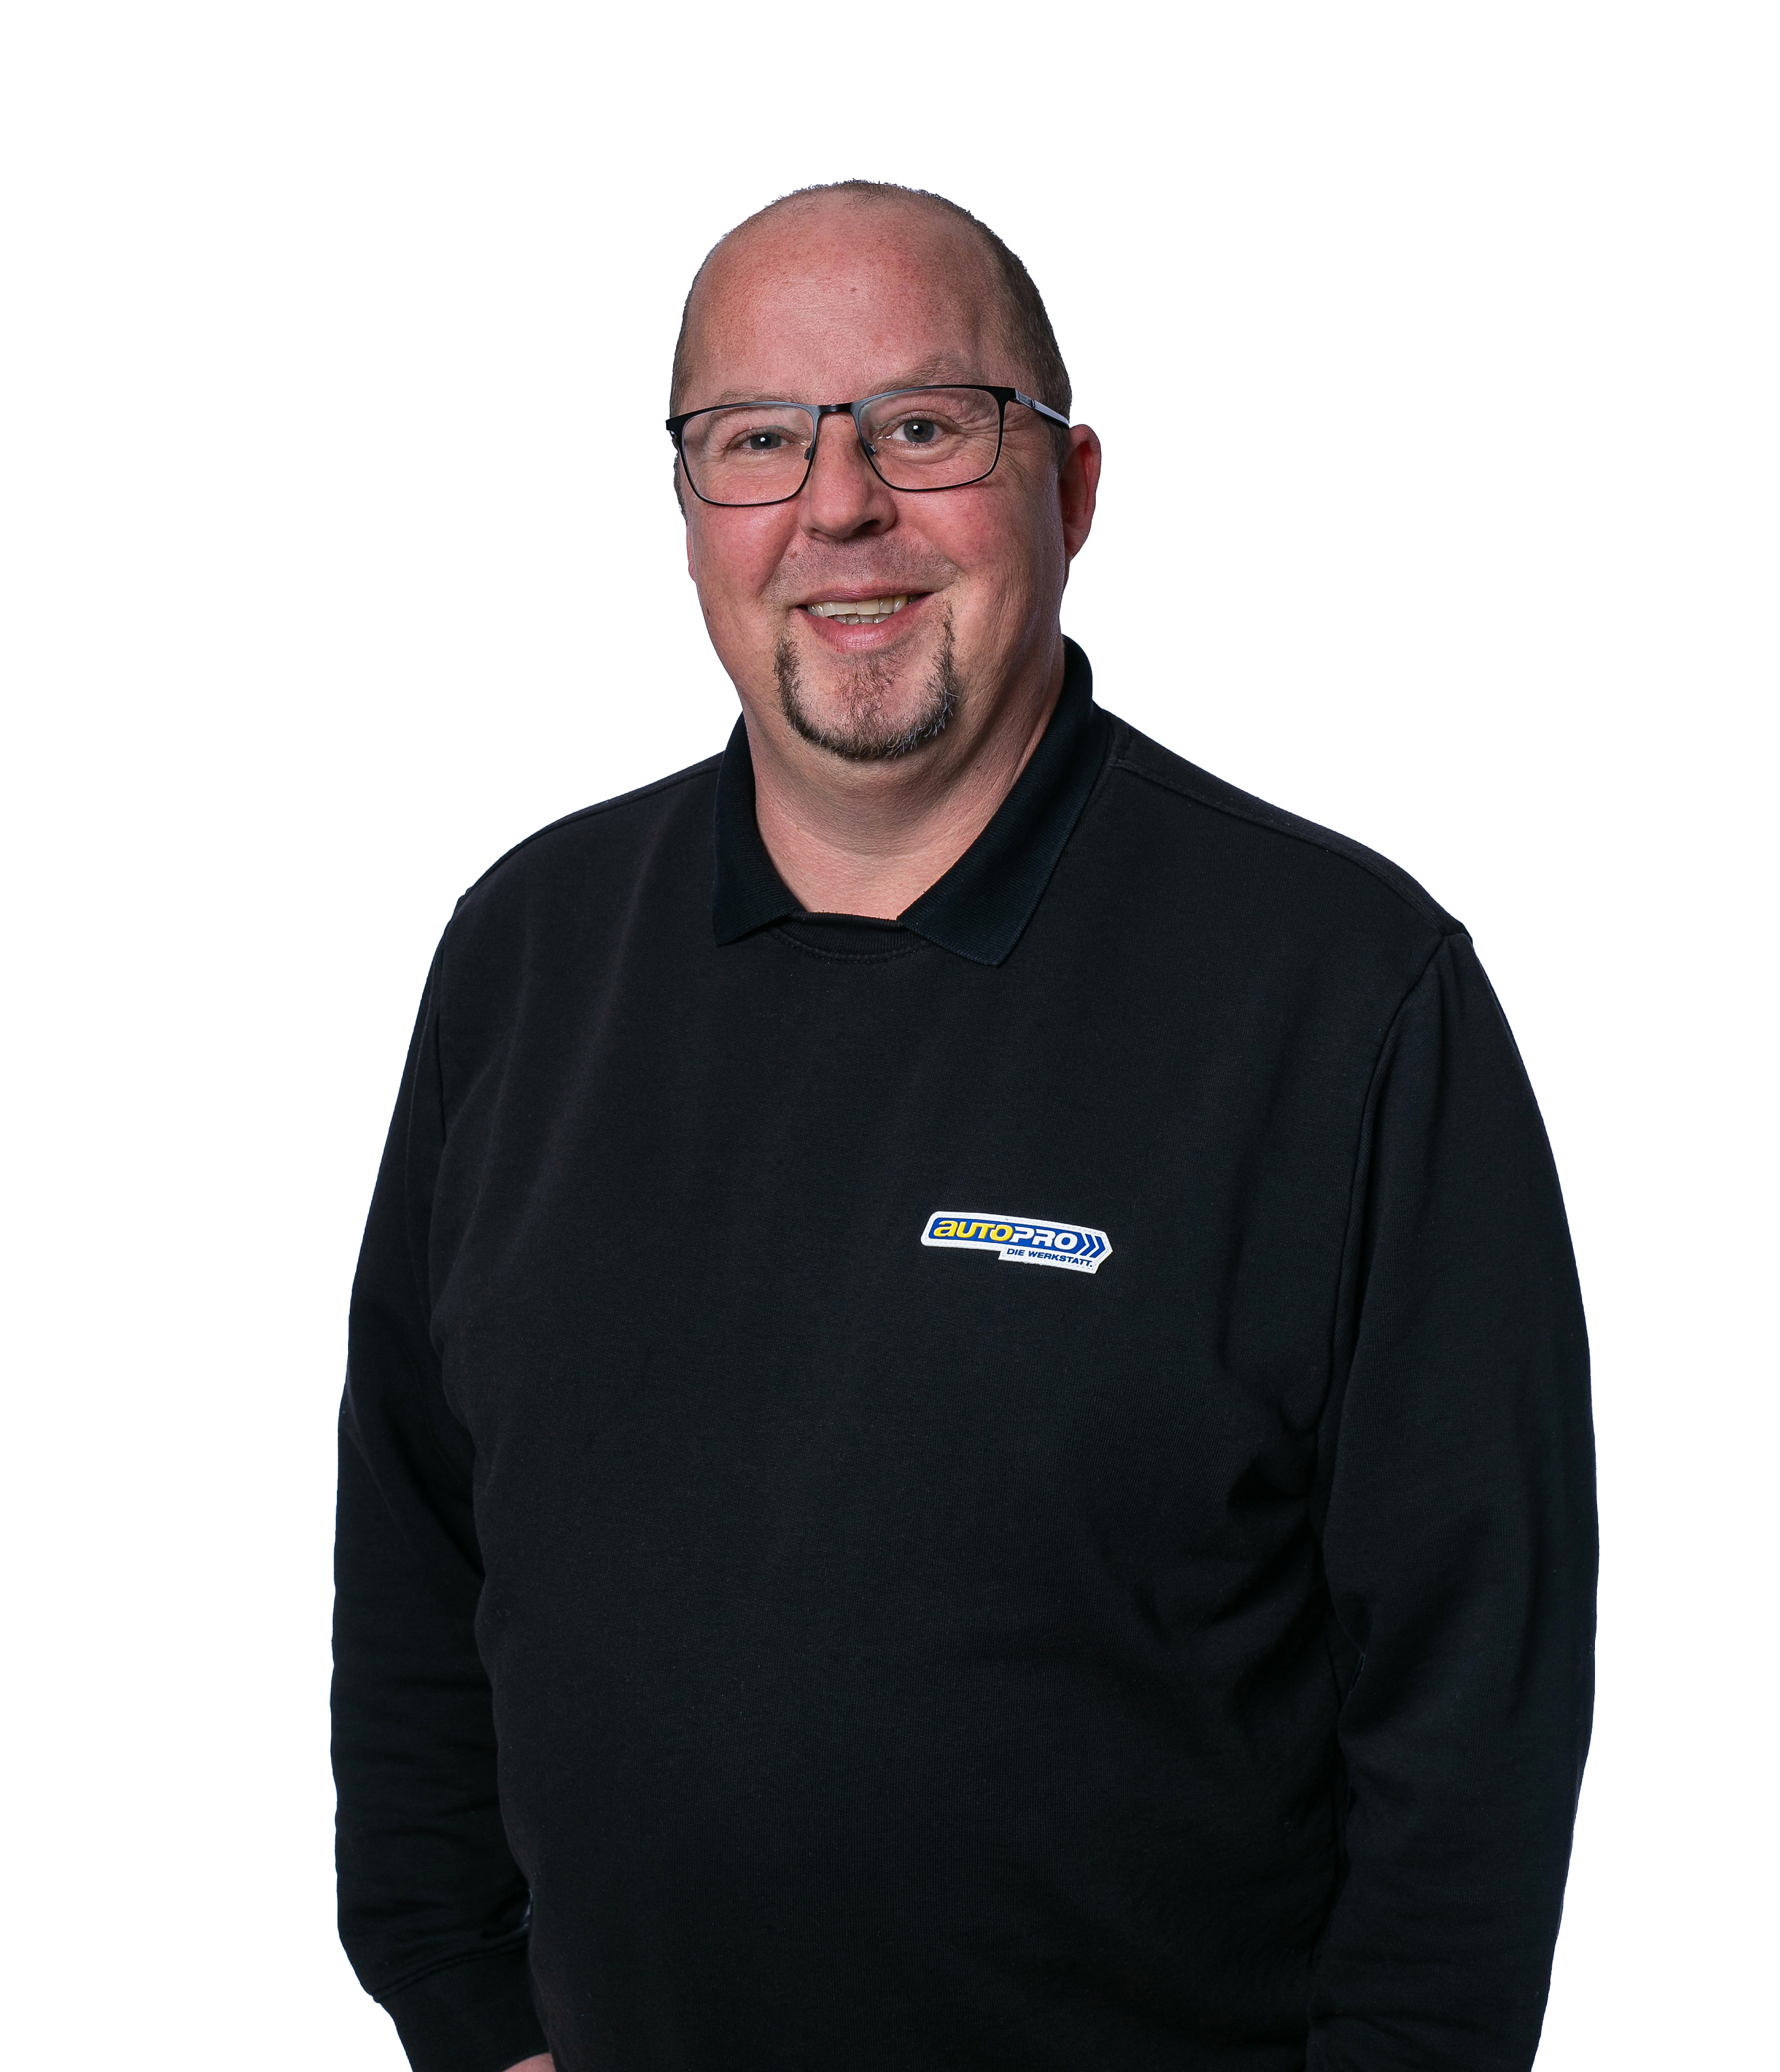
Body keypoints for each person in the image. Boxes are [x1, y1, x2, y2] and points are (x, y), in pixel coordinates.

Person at [333, 180, 1597, 2072]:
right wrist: (467, 2007)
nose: (839, 506)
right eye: (758, 439)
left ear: (1071, 490)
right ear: (690, 509)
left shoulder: (1346, 996)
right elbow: (413, 1548)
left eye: (924, 424)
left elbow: (1473, 1696)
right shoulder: (527, 953)